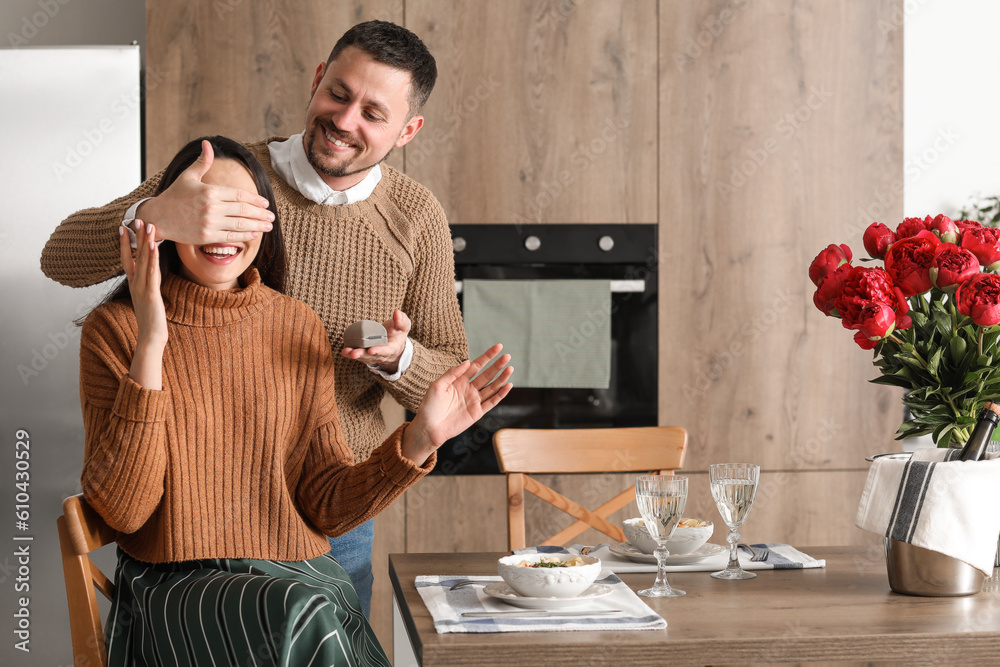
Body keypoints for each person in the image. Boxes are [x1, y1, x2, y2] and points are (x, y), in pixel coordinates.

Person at [42, 20, 465, 615]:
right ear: (317, 79)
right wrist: (154, 212)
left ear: (407, 130)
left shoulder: (416, 217)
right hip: (190, 514)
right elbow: (59, 256)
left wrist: (399, 360)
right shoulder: (225, 175)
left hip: (333, 505)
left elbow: (450, 368)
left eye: (373, 112)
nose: (345, 121)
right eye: (338, 94)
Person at [81, 135, 512, 666]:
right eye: (211, 213)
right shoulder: (115, 331)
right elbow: (125, 511)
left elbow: (325, 504)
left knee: (308, 606)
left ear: (267, 227)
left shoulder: (294, 323)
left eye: (244, 216)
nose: (224, 232)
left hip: (295, 577)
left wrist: (422, 436)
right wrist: (152, 338)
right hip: (174, 588)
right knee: (304, 612)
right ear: (174, 219)